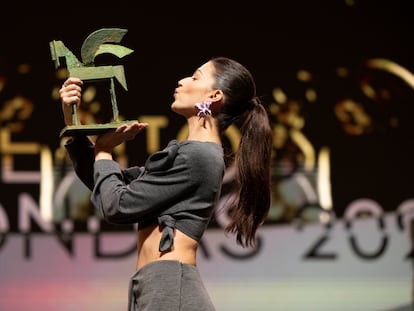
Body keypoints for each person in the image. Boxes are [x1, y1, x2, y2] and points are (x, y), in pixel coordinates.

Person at [59, 56, 273, 311]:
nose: (182, 81)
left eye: (195, 77)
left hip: (170, 288)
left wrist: (104, 151)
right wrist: (72, 122)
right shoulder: (191, 154)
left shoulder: (198, 156)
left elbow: (115, 205)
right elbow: (106, 185)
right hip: (157, 285)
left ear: (214, 96)